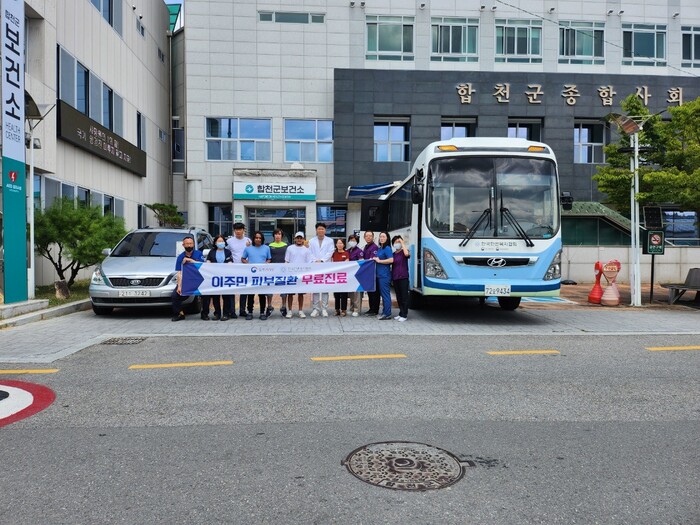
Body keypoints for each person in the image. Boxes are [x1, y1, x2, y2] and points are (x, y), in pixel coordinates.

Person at [171, 236, 205, 321]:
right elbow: (179, 273)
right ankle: (179, 314)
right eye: (187, 244)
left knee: (206, 295)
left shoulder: (199, 254)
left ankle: (204, 314)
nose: (189, 245)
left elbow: (203, 266)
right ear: (183, 245)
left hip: (199, 280)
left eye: (190, 243)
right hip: (187, 281)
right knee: (175, 295)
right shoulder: (180, 257)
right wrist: (179, 286)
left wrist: (191, 261)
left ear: (193, 244)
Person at [201, 235, 234, 321]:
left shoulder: (228, 252)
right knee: (215, 297)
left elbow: (230, 262)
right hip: (214, 278)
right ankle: (217, 313)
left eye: (222, 241)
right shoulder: (212, 252)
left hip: (225, 277)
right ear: (215, 243)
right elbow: (208, 262)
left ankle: (226, 314)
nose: (221, 243)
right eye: (219, 241)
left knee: (226, 297)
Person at [241, 231, 271, 320]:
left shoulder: (266, 248)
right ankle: (250, 312)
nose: (258, 239)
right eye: (256, 238)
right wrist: (247, 264)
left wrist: (266, 263)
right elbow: (243, 258)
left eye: (260, 238)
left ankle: (262, 312)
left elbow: (269, 259)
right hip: (251, 275)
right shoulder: (248, 248)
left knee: (262, 295)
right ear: (253, 239)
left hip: (262, 275)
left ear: (262, 239)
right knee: (250, 295)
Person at [307, 222, 335, 317]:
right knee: (315, 288)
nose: (321, 230)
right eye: (319, 229)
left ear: (325, 230)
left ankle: (324, 309)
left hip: (325, 266)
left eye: (322, 229)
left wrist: (322, 260)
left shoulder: (330, 241)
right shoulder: (311, 241)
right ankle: (315, 309)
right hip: (315, 266)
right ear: (316, 230)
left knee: (325, 288)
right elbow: (309, 252)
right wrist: (315, 260)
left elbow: (330, 252)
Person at [284, 231, 313, 318]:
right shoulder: (290, 248)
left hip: (302, 275)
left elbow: (309, 263)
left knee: (301, 294)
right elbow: (286, 261)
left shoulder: (307, 250)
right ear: (295, 239)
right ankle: (290, 311)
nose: (299, 239)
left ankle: (300, 310)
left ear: (303, 239)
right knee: (290, 294)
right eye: (298, 238)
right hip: (291, 274)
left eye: (301, 238)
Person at [226, 222, 251, 318]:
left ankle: (242, 310)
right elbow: (226, 253)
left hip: (245, 269)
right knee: (232, 290)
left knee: (244, 290)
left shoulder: (248, 241)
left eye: (240, 229)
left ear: (243, 230)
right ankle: (232, 311)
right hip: (232, 269)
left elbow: (251, 253)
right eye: (236, 229)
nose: (238, 231)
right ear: (234, 230)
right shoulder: (229, 241)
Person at [267, 228, 288, 317]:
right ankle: (269, 306)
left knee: (283, 290)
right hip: (271, 272)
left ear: (282, 236)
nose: (277, 236)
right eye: (276, 234)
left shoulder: (286, 246)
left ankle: (283, 306)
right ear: (273, 236)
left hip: (283, 272)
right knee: (269, 290)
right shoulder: (269, 246)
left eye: (279, 234)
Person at [373, 231, 393, 320]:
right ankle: (385, 311)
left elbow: (391, 260)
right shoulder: (380, 248)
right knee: (383, 294)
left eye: (383, 237)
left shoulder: (387, 248)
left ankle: (387, 314)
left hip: (384, 275)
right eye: (380, 237)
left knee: (385, 295)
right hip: (379, 275)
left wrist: (379, 261)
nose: (381, 238)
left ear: (387, 238)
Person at [391, 235, 410, 322]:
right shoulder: (393, 254)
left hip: (403, 277)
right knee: (398, 296)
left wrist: (402, 243)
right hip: (395, 277)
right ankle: (401, 313)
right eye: (395, 242)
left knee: (404, 296)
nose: (397, 244)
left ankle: (404, 314)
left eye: (398, 242)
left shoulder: (404, 251)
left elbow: (407, 254)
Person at [362, 230, 380, 316]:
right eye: (367, 236)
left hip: (373, 273)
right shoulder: (366, 247)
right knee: (369, 292)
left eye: (370, 236)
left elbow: (372, 260)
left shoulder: (374, 247)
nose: (368, 237)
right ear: (364, 237)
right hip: (368, 273)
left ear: (373, 237)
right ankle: (371, 309)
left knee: (374, 293)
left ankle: (374, 310)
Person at [346, 234, 363, 316]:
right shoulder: (348, 251)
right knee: (351, 293)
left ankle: (357, 309)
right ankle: (352, 308)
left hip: (357, 275)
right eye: (351, 240)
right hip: (350, 275)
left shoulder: (359, 251)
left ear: (357, 242)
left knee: (357, 293)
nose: (352, 242)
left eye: (354, 240)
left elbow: (361, 262)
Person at [331, 238, 349, 316]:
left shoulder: (346, 253)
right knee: (336, 294)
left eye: (341, 243)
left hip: (344, 276)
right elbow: (331, 263)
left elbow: (347, 263)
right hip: (336, 277)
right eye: (338, 243)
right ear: (336, 244)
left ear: (344, 245)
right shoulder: (334, 254)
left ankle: (344, 310)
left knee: (344, 294)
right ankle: (337, 309)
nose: (340, 245)